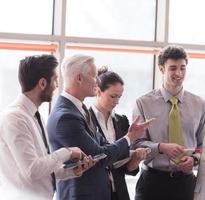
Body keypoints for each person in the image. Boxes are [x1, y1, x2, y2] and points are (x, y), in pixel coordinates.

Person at [47, 54, 153, 200]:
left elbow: (103, 148)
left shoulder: (80, 108)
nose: (97, 80)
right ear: (79, 78)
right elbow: (99, 156)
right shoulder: (66, 116)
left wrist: (132, 153)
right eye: (94, 76)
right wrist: (129, 137)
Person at [0, 55, 94, 200]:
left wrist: (71, 171)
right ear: (42, 83)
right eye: (55, 79)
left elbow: (43, 167)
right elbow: (32, 170)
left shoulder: (35, 115)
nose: (57, 85)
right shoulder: (15, 118)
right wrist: (67, 152)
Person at [133, 45, 205, 200]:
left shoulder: (200, 104)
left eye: (183, 68)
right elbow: (136, 144)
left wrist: (194, 159)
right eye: (173, 68)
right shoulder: (143, 103)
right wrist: (160, 147)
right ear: (161, 69)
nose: (179, 74)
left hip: (186, 183)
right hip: (152, 183)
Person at [89, 66, 149, 200]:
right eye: (112, 96)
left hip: (119, 193)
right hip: (95, 193)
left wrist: (136, 159)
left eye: (119, 97)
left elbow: (127, 167)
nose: (116, 101)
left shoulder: (121, 121)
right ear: (98, 91)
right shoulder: (86, 120)